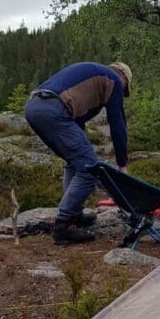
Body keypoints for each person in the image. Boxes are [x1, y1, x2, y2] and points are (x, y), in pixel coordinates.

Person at [24, 61, 132, 244]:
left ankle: (73, 214)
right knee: (90, 169)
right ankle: (64, 225)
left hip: (34, 107)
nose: (122, 93)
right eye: (125, 88)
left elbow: (78, 120)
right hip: (53, 108)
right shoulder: (113, 80)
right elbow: (118, 124)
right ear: (122, 76)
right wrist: (122, 165)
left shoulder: (93, 79)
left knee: (76, 162)